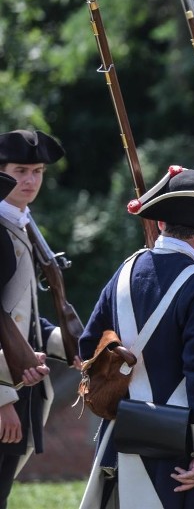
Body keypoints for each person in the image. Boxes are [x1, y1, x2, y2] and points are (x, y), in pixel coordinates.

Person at [78, 166, 194, 509]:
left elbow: (88, 345)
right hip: (178, 441)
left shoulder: (125, 270)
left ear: (160, 224)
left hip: (122, 430)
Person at [0, 129, 73, 508]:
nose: (30, 181)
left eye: (38, 171)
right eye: (20, 170)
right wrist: (2, 399)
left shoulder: (21, 223)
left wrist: (73, 345)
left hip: (23, 384)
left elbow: (23, 321)